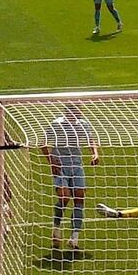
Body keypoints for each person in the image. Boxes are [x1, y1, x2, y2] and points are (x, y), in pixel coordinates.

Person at [42, 105, 99, 250]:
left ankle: (74, 238)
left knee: (80, 199)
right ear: (69, 113)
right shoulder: (57, 124)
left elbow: (90, 139)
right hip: (61, 166)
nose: (80, 114)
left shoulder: (83, 124)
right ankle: (56, 228)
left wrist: (95, 153)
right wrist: (51, 162)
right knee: (64, 198)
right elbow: (42, 143)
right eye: (77, 112)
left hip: (77, 166)